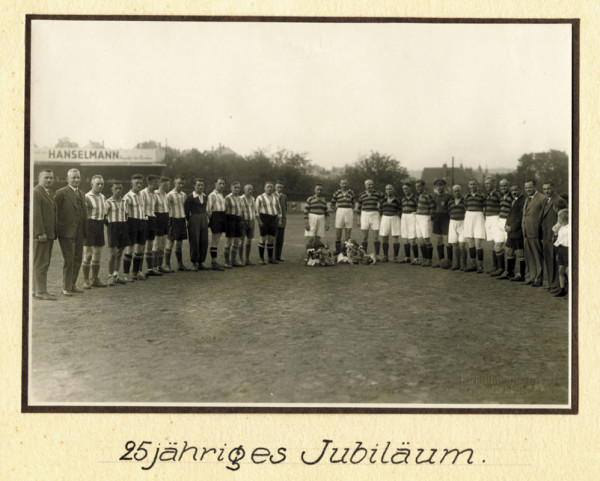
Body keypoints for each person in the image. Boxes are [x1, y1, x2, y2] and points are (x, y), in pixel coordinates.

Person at [54, 168, 88, 296]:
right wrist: (58, 227)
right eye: (73, 177)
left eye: (78, 177)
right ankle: (66, 287)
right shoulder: (61, 193)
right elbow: (54, 210)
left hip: (80, 231)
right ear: (67, 179)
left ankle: (73, 284)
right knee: (69, 259)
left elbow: (84, 213)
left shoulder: (82, 193)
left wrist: (85, 231)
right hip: (66, 232)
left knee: (78, 258)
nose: (76, 180)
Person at [32, 169, 57, 300]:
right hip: (42, 235)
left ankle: (35, 290)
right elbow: (36, 214)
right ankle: (41, 292)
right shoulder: (36, 192)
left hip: (48, 234)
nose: (49, 180)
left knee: (40, 262)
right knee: (41, 262)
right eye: (46, 177)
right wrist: (40, 232)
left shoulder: (46, 193)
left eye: (51, 178)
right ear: (39, 178)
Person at [82, 174, 108, 289]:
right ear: (92, 184)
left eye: (102, 184)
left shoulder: (103, 197)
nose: (100, 186)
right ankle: (86, 280)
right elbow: (82, 215)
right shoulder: (86, 197)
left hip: (100, 225)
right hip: (89, 226)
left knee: (97, 255)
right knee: (88, 255)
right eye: (98, 184)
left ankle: (95, 279)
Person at [541, 181, 568, 291]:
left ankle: (558, 285)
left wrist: (557, 234)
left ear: (554, 188)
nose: (546, 191)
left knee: (556, 261)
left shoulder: (559, 201)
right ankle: (552, 283)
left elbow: (564, 219)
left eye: (549, 189)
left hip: (556, 236)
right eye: (544, 189)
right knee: (549, 260)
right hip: (547, 234)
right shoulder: (546, 201)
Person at [497, 184, 526, 281]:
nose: (514, 192)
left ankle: (522, 274)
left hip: (518, 231)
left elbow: (521, 217)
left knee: (520, 253)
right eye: (512, 190)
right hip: (511, 231)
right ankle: (510, 272)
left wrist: (512, 228)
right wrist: (506, 225)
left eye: (516, 190)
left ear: (520, 189)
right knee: (509, 251)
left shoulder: (523, 200)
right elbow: (509, 215)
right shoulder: (514, 200)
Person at [522, 179, 548, 286]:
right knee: (529, 256)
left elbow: (544, 217)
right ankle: (532, 277)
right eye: (526, 187)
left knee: (537, 256)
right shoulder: (527, 199)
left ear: (535, 187)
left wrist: (541, 233)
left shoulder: (542, 198)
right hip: (526, 233)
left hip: (536, 233)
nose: (528, 189)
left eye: (530, 187)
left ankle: (539, 278)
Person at [123, 174, 148, 281]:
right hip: (131, 223)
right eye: (136, 183)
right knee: (129, 249)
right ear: (131, 183)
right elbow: (124, 214)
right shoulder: (127, 197)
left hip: (142, 222)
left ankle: (136, 272)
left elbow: (144, 210)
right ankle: (126, 274)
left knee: (140, 248)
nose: (139, 185)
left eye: (140, 183)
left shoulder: (142, 195)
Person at [105, 181, 129, 286]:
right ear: (112, 189)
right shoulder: (108, 202)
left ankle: (116, 275)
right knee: (112, 253)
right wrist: (111, 227)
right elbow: (104, 217)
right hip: (113, 227)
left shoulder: (124, 201)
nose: (118, 190)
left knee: (120, 252)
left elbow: (126, 215)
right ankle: (110, 276)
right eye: (116, 188)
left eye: (120, 188)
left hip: (123, 226)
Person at [184, 178, 209, 270]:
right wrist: (189, 220)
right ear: (194, 186)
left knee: (204, 241)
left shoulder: (205, 197)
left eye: (202, 185)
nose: (200, 187)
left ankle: (201, 262)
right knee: (195, 241)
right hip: (194, 219)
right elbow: (186, 211)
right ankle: (194, 262)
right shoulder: (190, 197)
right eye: (198, 185)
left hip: (203, 219)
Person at [166, 175, 189, 272]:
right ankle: (167, 265)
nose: (181, 185)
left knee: (179, 243)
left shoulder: (184, 195)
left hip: (182, 220)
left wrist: (186, 220)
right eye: (179, 183)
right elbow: (166, 209)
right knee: (170, 242)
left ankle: (180, 264)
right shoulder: (170, 195)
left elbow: (184, 208)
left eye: (182, 183)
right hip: (173, 220)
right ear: (174, 183)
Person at [255, 181, 282, 264]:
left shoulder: (276, 197)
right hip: (264, 218)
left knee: (271, 239)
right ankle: (261, 258)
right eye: (268, 187)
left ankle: (270, 258)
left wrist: (279, 219)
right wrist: (259, 221)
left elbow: (279, 210)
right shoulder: (260, 197)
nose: (269, 188)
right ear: (264, 188)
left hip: (273, 219)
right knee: (263, 238)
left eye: (271, 187)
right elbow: (256, 211)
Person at [463, 179, 486, 273]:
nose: (473, 186)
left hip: (479, 217)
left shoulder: (482, 196)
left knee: (478, 243)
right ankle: (473, 265)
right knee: (470, 243)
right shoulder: (466, 196)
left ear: (477, 185)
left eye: (474, 184)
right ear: (469, 186)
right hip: (469, 217)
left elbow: (485, 208)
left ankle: (481, 266)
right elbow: (465, 207)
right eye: (471, 184)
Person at [140, 174, 162, 277]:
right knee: (141, 246)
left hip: (152, 219)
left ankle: (150, 269)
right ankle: (139, 271)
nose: (159, 184)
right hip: (144, 219)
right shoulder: (142, 193)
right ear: (151, 182)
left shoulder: (155, 194)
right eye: (157, 182)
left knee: (150, 245)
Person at [356, 179, 383, 257]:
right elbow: (359, 208)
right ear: (365, 186)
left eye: (372, 184)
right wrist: (358, 219)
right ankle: (364, 254)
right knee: (364, 237)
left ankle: (377, 255)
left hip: (375, 214)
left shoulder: (378, 193)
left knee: (376, 237)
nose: (370, 186)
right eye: (369, 185)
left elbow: (384, 200)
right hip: (364, 215)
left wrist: (380, 206)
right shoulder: (361, 194)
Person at [483, 176, 504, 275]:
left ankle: (501, 268)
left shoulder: (499, 194)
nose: (486, 185)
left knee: (498, 244)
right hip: (488, 220)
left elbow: (503, 206)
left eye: (488, 183)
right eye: (485, 183)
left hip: (496, 219)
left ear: (493, 184)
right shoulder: (487, 195)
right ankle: (495, 267)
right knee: (492, 245)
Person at [207, 177, 227, 271]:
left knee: (217, 240)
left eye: (223, 183)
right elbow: (208, 210)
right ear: (215, 184)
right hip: (216, 217)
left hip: (222, 216)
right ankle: (214, 262)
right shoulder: (212, 195)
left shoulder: (222, 194)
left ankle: (214, 261)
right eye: (220, 183)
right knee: (214, 240)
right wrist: (212, 221)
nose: (222, 185)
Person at [330, 179, 355, 254]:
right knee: (338, 232)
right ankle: (338, 251)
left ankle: (346, 251)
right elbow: (332, 205)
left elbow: (353, 204)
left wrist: (348, 209)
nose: (344, 185)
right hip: (340, 212)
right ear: (340, 184)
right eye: (342, 184)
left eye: (345, 184)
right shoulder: (337, 193)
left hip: (349, 211)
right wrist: (338, 210)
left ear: (347, 184)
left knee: (348, 232)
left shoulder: (351, 192)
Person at [431, 178, 452, 268]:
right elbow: (433, 208)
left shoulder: (449, 196)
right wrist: (432, 219)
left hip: (446, 219)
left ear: (444, 186)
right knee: (439, 240)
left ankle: (450, 262)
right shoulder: (434, 196)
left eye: (441, 185)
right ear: (436, 187)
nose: (439, 187)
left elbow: (451, 209)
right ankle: (441, 261)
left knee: (447, 241)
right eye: (437, 185)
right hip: (437, 219)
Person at [494, 178, 513, 277]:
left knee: (508, 248)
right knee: (497, 246)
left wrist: (510, 223)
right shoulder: (501, 196)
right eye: (501, 186)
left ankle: (509, 271)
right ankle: (500, 269)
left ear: (508, 186)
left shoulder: (512, 197)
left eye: (505, 185)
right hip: (500, 222)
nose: (503, 187)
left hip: (508, 223)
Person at [378, 184, 402, 262]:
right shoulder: (382, 200)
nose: (389, 191)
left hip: (395, 218)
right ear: (385, 191)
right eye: (387, 189)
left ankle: (395, 257)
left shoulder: (398, 200)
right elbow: (380, 210)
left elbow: (400, 210)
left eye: (390, 189)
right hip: (385, 218)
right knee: (384, 237)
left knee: (395, 237)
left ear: (393, 190)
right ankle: (385, 256)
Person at [153, 176, 172, 274]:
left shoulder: (167, 195)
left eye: (168, 185)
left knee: (163, 245)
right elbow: (152, 209)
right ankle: (153, 267)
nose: (167, 186)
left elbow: (168, 208)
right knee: (156, 244)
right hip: (158, 219)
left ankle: (159, 266)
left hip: (165, 219)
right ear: (160, 184)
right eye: (165, 185)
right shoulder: (155, 194)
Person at [224, 181, 244, 268]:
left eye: (238, 187)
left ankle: (233, 261)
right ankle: (226, 262)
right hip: (230, 220)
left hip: (238, 220)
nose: (237, 189)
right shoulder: (228, 198)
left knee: (236, 241)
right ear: (231, 188)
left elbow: (241, 211)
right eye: (235, 187)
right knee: (229, 242)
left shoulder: (240, 198)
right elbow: (224, 210)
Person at [414, 180, 435, 267]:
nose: (417, 188)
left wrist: (432, 220)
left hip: (425, 218)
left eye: (419, 186)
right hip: (418, 218)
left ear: (423, 186)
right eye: (416, 187)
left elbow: (432, 208)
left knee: (426, 239)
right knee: (420, 240)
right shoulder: (419, 196)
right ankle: (425, 259)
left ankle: (429, 260)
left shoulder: (428, 195)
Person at [447, 184, 467, 271]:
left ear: (460, 191)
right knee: (455, 244)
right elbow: (449, 211)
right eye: (455, 191)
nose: (457, 192)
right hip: (453, 222)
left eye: (458, 190)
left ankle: (464, 265)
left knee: (462, 244)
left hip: (462, 223)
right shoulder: (450, 201)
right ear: (453, 192)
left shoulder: (464, 201)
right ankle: (457, 264)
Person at [304, 183, 329, 249]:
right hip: (312, 218)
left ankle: (316, 256)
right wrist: (307, 223)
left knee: (318, 239)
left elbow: (326, 212)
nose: (319, 191)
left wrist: (327, 223)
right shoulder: (310, 199)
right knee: (311, 238)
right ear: (315, 190)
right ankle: (309, 255)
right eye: (318, 189)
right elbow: (306, 211)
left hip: (321, 219)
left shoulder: (324, 200)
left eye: (321, 190)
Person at [552, 208, 569, 297]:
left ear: (563, 219)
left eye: (559, 218)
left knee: (568, 270)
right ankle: (562, 288)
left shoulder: (570, 228)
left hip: (568, 250)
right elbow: (558, 241)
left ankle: (570, 288)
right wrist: (558, 253)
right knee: (561, 269)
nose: (558, 220)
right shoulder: (561, 228)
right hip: (561, 249)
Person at [400, 182, 418, 264]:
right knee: (405, 238)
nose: (405, 190)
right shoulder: (403, 199)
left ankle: (416, 258)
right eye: (404, 189)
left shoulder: (415, 198)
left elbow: (418, 208)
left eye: (407, 188)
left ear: (410, 189)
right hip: (404, 217)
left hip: (412, 216)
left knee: (412, 239)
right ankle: (407, 257)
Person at [239, 184, 257, 265]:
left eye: (251, 189)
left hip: (251, 221)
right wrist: (241, 221)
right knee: (241, 241)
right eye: (248, 189)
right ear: (244, 190)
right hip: (243, 221)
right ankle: (240, 259)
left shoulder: (253, 199)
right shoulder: (240, 198)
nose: (250, 191)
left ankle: (247, 259)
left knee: (249, 241)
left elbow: (254, 210)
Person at [274, 180, 288, 262]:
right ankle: (273, 256)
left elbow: (285, 208)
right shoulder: (272, 196)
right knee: (274, 238)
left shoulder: (284, 197)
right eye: (278, 187)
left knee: (280, 239)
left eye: (281, 187)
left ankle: (278, 256)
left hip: (282, 220)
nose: (280, 189)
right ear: (275, 188)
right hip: (274, 220)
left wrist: (283, 218)